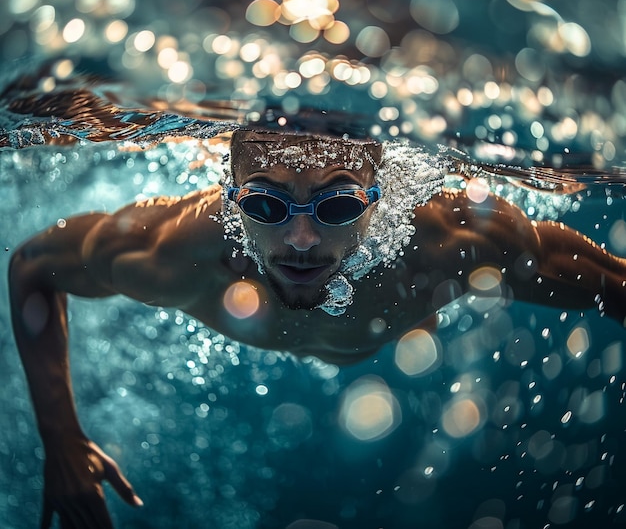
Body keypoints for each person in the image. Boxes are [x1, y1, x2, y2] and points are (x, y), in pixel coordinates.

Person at [9, 128, 626, 528]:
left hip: (396, 324)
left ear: (377, 199)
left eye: (336, 206)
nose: (300, 241)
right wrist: (62, 441)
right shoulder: (175, 250)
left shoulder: (451, 240)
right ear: (231, 197)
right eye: (265, 204)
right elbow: (31, 266)